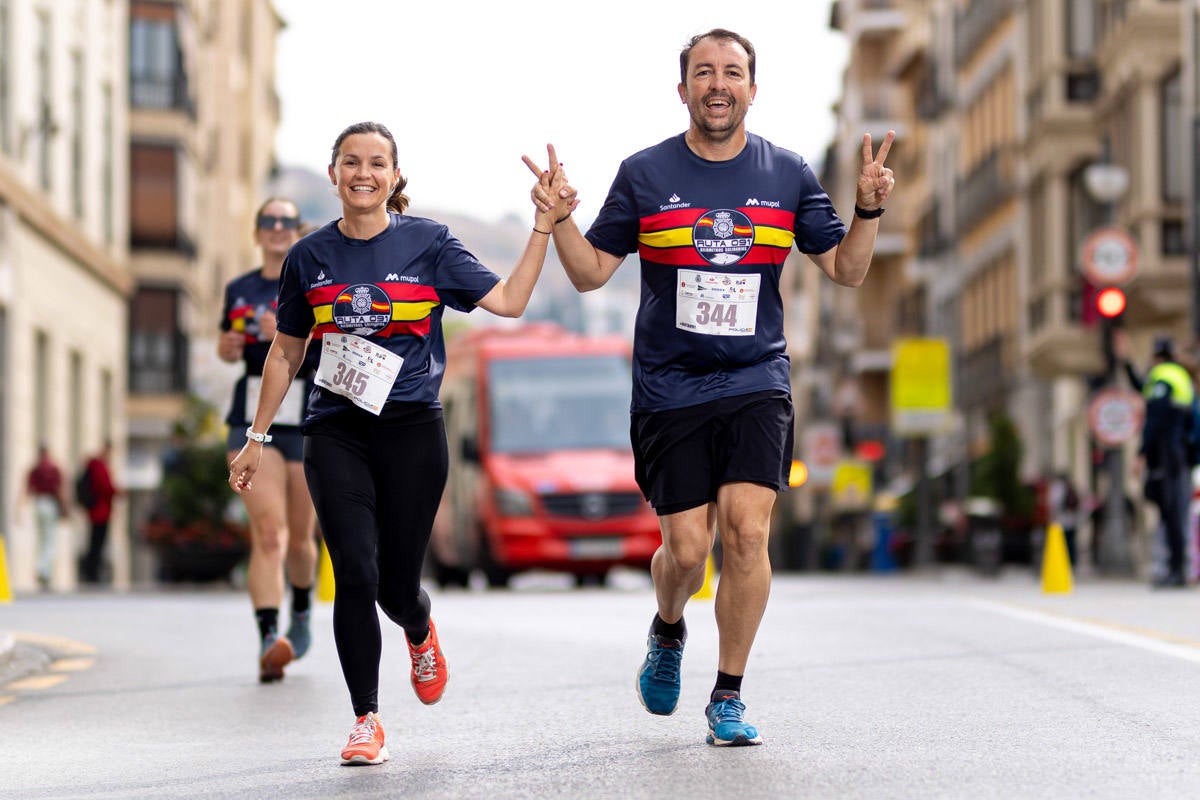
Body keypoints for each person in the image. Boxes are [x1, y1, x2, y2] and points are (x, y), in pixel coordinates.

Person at [530, 28, 894, 747]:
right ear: (684, 90)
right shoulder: (643, 173)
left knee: (748, 533)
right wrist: (562, 218)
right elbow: (590, 272)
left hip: (756, 378)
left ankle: (727, 694)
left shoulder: (787, 174)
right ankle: (668, 627)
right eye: (704, 72)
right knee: (689, 551)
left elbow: (847, 271)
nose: (718, 84)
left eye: (732, 72)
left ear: (752, 90)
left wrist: (869, 209)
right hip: (670, 387)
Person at [228, 121, 566, 765]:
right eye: (351, 162)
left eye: (376, 163)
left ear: (395, 176)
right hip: (336, 431)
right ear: (333, 174)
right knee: (353, 570)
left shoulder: (430, 244)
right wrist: (257, 437)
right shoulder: (308, 256)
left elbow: (512, 301)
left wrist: (544, 226)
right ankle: (365, 720)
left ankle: (418, 626)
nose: (363, 173)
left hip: (412, 431)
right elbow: (287, 350)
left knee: (394, 585)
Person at [218, 197, 320, 683]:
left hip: (305, 413)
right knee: (270, 533)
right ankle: (266, 638)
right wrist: (230, 345)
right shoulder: (239, 288)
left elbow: (340, 340)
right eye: (269, 222)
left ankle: (300, 614)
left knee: (301, 539)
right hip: (250, 414)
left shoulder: (314, 281)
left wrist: (288, 333)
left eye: (286, 222)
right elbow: (225, 345)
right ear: (257, 232)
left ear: (297, 230)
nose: (277, 229)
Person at [1123, 336, 1195, 587]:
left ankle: (1176, 571)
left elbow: (1154, 419)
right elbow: (1142, 388)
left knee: (1172, 513)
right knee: (1173, 513)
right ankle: (1176, 569)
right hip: (1179, 455)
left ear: (1156, 357)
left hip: (1169, 455)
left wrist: (1141, 453)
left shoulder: (1163, 377)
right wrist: (1126, 363)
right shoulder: (1177, 376)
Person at [20, 444, 67, 588]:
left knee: (42, 538)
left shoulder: (35, 469)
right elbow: (59, 490)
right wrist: (64, 507)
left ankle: (41, 567)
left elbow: (28, 489)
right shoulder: (53, 469)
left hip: (38, 504)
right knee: (50, 538)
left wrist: (19, 508)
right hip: (50, 504)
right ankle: (44, 570)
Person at [79, 441, 121, 584]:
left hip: (99, 511)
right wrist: (117, 491)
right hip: (100, 511)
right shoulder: (98, 466)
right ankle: (92, 572)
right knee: (97, 542)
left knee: (96, 542)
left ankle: (93, 570)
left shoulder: (96, 465)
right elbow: (104, 486)